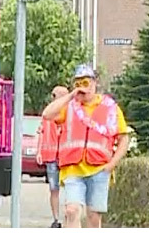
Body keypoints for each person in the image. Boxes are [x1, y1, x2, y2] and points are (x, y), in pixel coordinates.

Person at [42, 65, 132, 229]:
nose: (82, 87)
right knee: (72, 210)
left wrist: (112, 164)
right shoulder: (69, 107)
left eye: (85, 82)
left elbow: (123, 138)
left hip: (99, 169)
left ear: (94, 83)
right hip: (72, 168)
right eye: (78, 83)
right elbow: (47, 114)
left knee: (93, 216)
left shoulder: (110, 108)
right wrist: (70, 96)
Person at [37, 85, 70, 228]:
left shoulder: (71, 113)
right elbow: (41, 132)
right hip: (51, 157)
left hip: (67, 156)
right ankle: (56, 219)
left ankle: (69, 217)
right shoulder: (48, 114)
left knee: (70, 188)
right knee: (54, 188)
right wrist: (39, 151)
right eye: (55, 96)